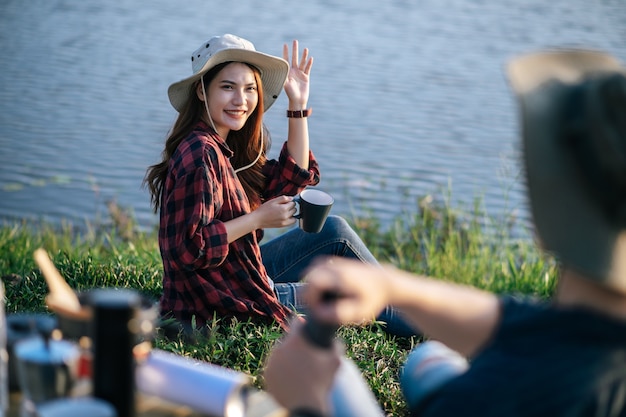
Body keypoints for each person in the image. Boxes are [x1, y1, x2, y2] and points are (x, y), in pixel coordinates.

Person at [263, 48, 626, 417]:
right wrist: (391, 288)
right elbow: (522, 323)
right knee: (429, 360)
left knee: (351, 379)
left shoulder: (501, 395)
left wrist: (311, 401)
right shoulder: (593, 341)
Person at [143, 34, 416, 337]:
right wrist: (258, 219)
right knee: (359, 294)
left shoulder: (221, 145)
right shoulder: (201, 154)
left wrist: (297, 104)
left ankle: (410, 304)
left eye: (249, 89)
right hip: (221, 301)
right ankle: (434, 324)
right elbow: (188, 249)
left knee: (334, 231)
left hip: (236, 274)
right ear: (201, 91)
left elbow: (290, 179)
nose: (241, 100)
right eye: (227, 87)